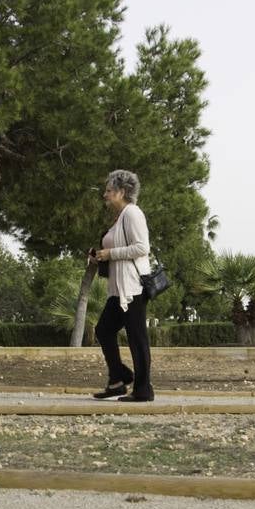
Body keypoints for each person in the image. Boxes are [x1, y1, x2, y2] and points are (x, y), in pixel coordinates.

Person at [89, 170, 154, 401]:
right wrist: (99, 256)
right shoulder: (120, 217)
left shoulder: (133, 213)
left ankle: (143, 390)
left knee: (137, 338)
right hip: (118, 290)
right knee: (104, 330)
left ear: (122, 192)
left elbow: (142, 247)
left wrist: (111, 253)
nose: (104, 195)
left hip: (133, 288)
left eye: (108, 190)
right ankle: (118, 380)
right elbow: (115, 250)